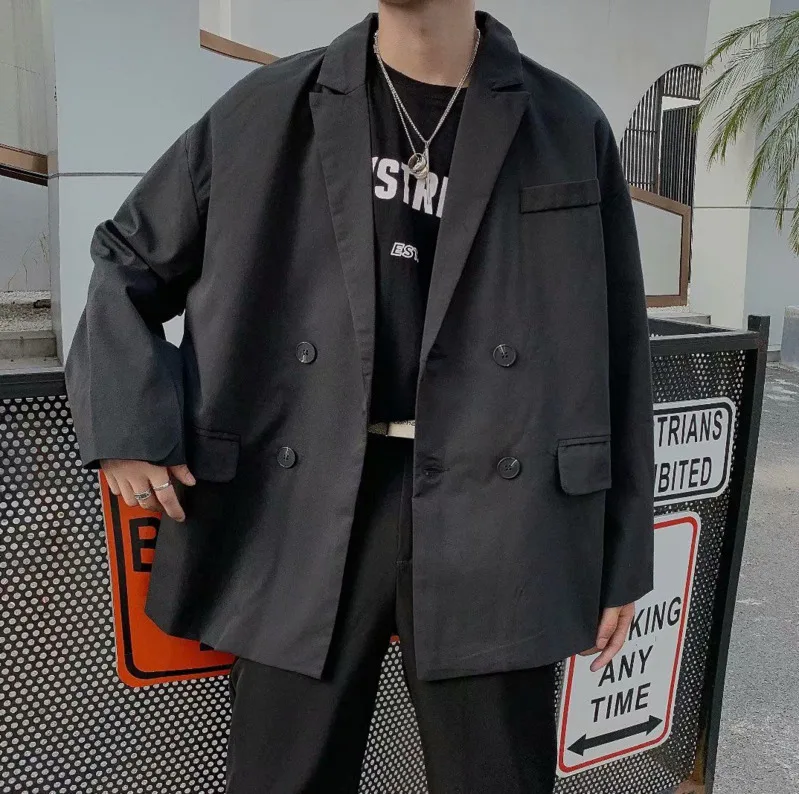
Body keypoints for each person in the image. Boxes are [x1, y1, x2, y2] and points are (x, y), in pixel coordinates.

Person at [65, 1, 655, 791]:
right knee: (284, 775)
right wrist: (128, 426)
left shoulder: (566, 124)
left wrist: (622, 554)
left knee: (495, 775)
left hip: (501, 512)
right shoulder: (266, 109)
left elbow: (619, 347)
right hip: (299, 499)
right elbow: (127, 260)